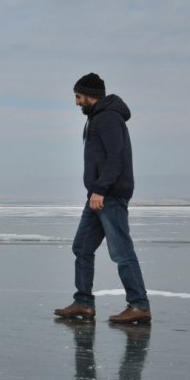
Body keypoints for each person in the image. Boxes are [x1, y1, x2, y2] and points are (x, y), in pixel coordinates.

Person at [55, 73, 151, 324]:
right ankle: (84, 302)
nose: (76, 102)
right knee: (82, 247)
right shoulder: (97, 117)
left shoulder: (108, 117)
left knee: (121, 251)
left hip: (109, 196)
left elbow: (115, 157)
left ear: (90, 95)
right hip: (97, 196)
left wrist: (101, 189)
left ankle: (139, 304)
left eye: (78, 96)